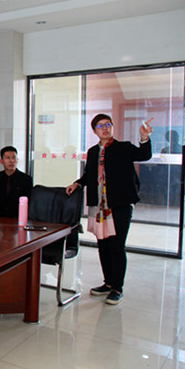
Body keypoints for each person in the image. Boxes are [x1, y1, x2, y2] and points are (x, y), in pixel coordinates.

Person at [66, 114, 153, 305]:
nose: (104, 128)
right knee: (103, 246)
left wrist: (144, 138)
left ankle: (117, 288)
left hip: (119, 205)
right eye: (100, 126)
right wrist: (77, 184)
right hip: (98, 207)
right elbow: (89, 173)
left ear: (112, 127)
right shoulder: (93, 151)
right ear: (94, 130)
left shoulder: (124, 147)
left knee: (116, 246)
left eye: (107, 125)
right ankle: (107, 283)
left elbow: (144, 155)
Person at [0, 146, 32, 218]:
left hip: (17, 218)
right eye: (8, 158)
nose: (11, 161)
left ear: (17, 160)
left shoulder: (26, 179)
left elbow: (29, 202)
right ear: (1, 161)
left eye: (14, 158)